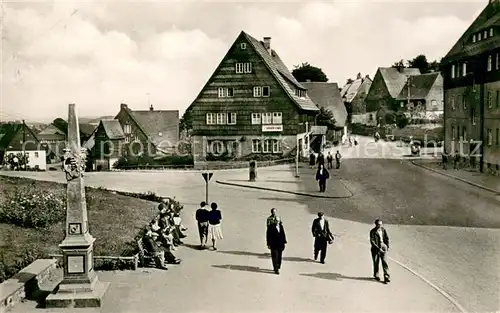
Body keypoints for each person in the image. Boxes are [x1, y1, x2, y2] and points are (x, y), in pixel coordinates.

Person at [369, 219, 390, 283]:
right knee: (376, 262)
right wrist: (378, 249)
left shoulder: (383, 230)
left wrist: (387, 246)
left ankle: (386, 276)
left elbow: (386, 238)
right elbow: (372, 242)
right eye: (378, 224)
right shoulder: (372, 231)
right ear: (376, 224)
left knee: (385, 262)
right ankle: (376, 275)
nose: (380, 225)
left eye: (381, 224)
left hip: (383, 246)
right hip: (375, 249)